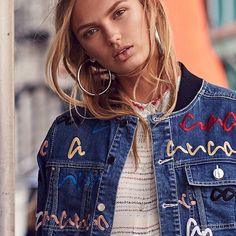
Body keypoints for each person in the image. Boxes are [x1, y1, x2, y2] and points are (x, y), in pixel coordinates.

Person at [35, 0, 236, 235]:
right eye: (91, 31)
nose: (112, 36)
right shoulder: (65, 138)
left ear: (148, 8)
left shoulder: (227, 117)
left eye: (119, 13)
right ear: (83, 49)